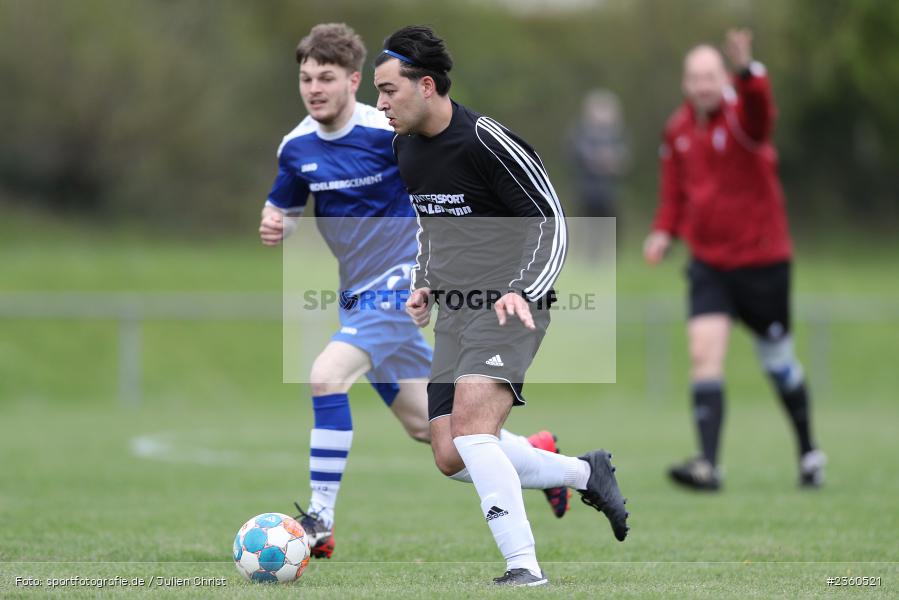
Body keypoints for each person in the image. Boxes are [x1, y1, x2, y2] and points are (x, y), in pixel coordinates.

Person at [259, 23, 571, 560]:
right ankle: (548, 461)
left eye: (326, 78)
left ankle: (318, 521)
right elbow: (283, 207)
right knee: (437, 437)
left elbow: (448, 179)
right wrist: (275, 222)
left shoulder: (387, 130)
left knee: (325, 376)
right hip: (360, 297)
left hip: (402, 284)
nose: (314, 88)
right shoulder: (296, 146)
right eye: (305, 78)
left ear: (353, 80)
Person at [374, 25, 629, 587]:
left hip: (512, 304)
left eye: (389, 90)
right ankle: (584, 472)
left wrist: (525, 288)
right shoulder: (405, 147)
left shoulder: (485, 140)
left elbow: (554, 221)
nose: (382, 103)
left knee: (471, 432)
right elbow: (430, 226)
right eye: (378, 92)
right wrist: (424, 283)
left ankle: (524, 568)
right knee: (450, 454)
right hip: (456, 312)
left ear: (427, 86)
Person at [643, 29, 826, 491]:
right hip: (710, 265)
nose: (703, 85)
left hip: (763, 263)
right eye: (695, 77)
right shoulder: (677, 130)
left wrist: (749, 72)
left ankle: (808, 452)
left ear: (723, 79)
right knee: (703, 354)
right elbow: (675, 193)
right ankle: (708, 465)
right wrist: (664, 231)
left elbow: (762, 116)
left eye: (711, 76)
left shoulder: (744, 118)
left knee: (778, 363)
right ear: (686, 83)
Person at [568, 89, 629, 221]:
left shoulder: (617, 136)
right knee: (586, 232)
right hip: (586, 195)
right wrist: (603, 160)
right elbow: (582, 157)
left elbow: (623, 162)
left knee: (609, 235)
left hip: (610, 196)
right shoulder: (581, 134)